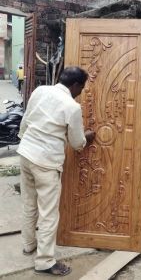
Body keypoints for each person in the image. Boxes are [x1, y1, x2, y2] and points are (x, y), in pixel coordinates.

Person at [17, 66, 95, 276]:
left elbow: (26, 120)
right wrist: (87, 136)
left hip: (25, 153)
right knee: (49, 214)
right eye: (82, 87)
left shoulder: (40, 91)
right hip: (46, 163)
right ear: (76, 85)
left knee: (28, 202)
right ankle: (44, 261)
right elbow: (77, 142)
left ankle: (28, 244)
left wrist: (25, 139)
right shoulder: (72, 107)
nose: (82, 92)